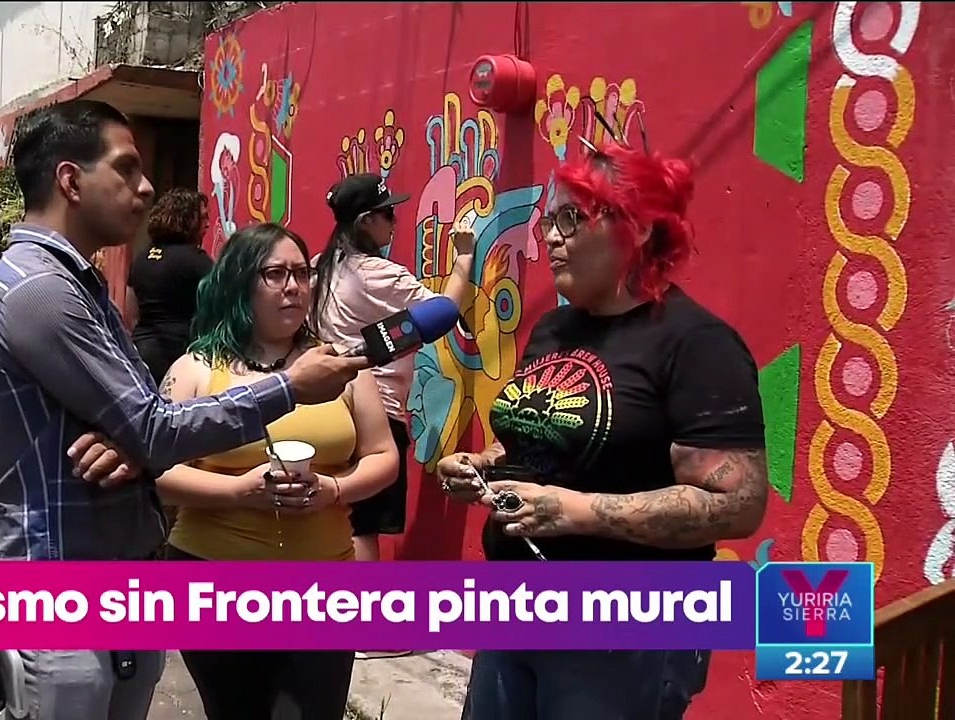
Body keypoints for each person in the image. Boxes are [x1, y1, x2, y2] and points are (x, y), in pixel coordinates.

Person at [0, 100, 370, 720]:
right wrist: (288, 388)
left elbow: (145, 421)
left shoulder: (79, 283)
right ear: (71, 181)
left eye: (301, 273)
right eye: (126, 168)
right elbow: (156, 425)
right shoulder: (39, 291)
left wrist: (136, 441)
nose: (147, 187)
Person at [436, 140, 769, 719]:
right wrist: (484, 465)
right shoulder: (553, 329)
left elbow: (738, 504)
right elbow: (536, 438)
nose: (551, 237)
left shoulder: (696, 345)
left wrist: (579, 512)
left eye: (572, 218)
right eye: (548, 222)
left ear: (638, 228)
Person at [156, 222, 397, 719]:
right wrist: (238, 491)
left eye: (301, 274)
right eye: (275, 274)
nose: (293, 287)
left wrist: (334, 488)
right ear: (241, 282)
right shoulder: (197, 368)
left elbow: (383, 456)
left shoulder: (339, 366)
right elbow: (157, 472)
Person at [309, 172, 476, 659]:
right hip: (376, 408)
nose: (395, 222)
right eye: (389, 213)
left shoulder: (318, 268)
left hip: (327, 407)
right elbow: (442, 309)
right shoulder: (377, 274)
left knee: (339, 516)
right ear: (367, 221)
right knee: (364, 523)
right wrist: (464, 257)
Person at [125, 187, 213, 383]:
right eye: (203, 217)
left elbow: (131, 312)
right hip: (178, 354)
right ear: (188, 219)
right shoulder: (197, 261)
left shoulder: (141, 258)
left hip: (141, 352)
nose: (207, 224)